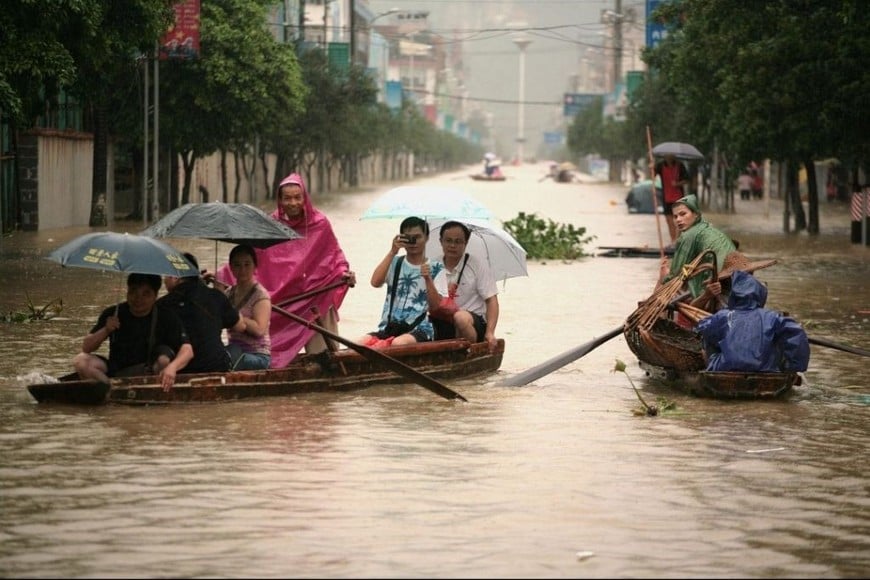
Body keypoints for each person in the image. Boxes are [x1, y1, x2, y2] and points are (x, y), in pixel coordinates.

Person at [215, 173, 355, 368]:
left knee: (325, 359)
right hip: (286, 300)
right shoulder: (270, 226)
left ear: (305, 197)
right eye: (287, 198)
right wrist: (219, 275)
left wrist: (344, 274)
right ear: (279, 200)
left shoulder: (320, 224)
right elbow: (250, 258)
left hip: (316, 296)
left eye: (297, 197)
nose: (293, 203)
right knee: (266, 349)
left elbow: (335, 256)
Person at [72, 273, 193, 390]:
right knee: (81, 361)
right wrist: (106, 329)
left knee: (164, 360)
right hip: (117, 370)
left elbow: (187, 350)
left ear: (155, 296)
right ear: (127, 291)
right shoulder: (114, 313)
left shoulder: (166, 316)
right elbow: (86, 347)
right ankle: (109, 391)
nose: (138, 298)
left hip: (150, 371)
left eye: (146, 294)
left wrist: (173, 367)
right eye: (133, 291)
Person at [695, 270, 810, 373]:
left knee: (707, 337)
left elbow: (700, 328)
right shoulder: (773, 317)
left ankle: (713, 368)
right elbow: (797, 334)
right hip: (765, 368)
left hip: (725, 367)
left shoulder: (723, 316)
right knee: (778, 339)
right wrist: (792, 367)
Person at [358, 216, 443, 348]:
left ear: (426, 238)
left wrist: (428, 279)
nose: (413, 242)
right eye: (408, 238)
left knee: (398, 343)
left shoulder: (437, 268)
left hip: (420, 329)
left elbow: (436, 306)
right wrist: (392, 251)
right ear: (401, 238)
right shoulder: (395, 263)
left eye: (418, 237)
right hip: (390, 328)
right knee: (359, 343)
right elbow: (375, 282)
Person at [421, 220, 500, 352]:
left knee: (460, 317)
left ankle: (465, 350)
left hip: (472, 322)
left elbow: (491, 300)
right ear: (441, 241)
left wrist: (490, 332)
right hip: (442, 319)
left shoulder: (477, 265)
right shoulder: (432, 266)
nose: (452, 245)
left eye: (458, 241)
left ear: (466, 243)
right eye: (448, 240)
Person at [159, 252, 244, 374]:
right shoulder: (215, 296)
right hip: (217, 367)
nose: (165, 280)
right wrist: (221, 294)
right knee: (236, 349)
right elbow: (240, 326)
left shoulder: (162, 305)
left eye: (166, 275)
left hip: (178, 369)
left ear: (175, 277)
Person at [657, 194, 736, 306]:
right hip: (732, 280)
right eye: (675, 217)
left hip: (718, 282)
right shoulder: (708, 228)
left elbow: (676, 274)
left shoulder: (688, 235)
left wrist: (663, 278)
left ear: (696, 214)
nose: (678, 220)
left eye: (683, 214)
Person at [213, 244, 271, 370]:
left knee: (234, 358)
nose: (242, 270)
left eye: (247, 264)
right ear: (231, 268)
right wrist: (216, 295)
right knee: (216, 355)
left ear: (255, 266)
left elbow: (259, 329)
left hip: (257, 356)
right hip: (235, 351)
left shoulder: (261, 295)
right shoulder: (228, 293)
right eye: (237, 265)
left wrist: (236, 316)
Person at [654, 154, 690, 243]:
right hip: (666, 197)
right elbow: (652, 175)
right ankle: (673, 240)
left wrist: (677, 184)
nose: (669, 157)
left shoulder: (680, 165)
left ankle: (677, 241)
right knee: (669, 221)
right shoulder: (660, 165)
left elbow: (687, 180)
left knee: (679, 220)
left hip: (679, 198)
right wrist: (651, 167)